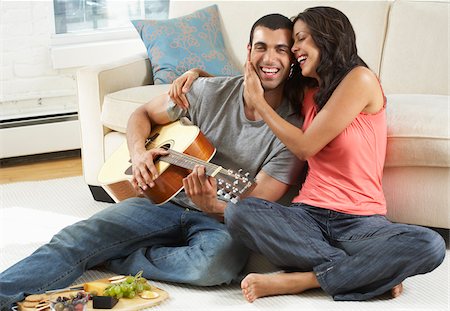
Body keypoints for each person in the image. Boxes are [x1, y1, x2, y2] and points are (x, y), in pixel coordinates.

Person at [0, 14, 304, 310]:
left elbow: (256, 206)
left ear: (292, 61)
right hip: (165, 200)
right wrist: (139, 153)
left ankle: (116, 257)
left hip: (220, 221)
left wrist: (213, 206)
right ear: (248, 52)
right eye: (261, 47)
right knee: (74, 238)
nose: (270, 58)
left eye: (281, 49)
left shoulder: (291, 132)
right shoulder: (208, 91)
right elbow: (141, 115)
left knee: (214, 267)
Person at [172, 6, 446, 303]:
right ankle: (363, 274)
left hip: (361, 222)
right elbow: (254, 81)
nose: (295, 48)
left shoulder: (360, 79)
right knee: (241, 210)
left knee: (430, 244)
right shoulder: (305, 89)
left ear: (326, 38)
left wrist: (260, 107)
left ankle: (304, 280)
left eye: (301, 39)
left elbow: (305, 146)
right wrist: (197, 76)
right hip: (306, 217)